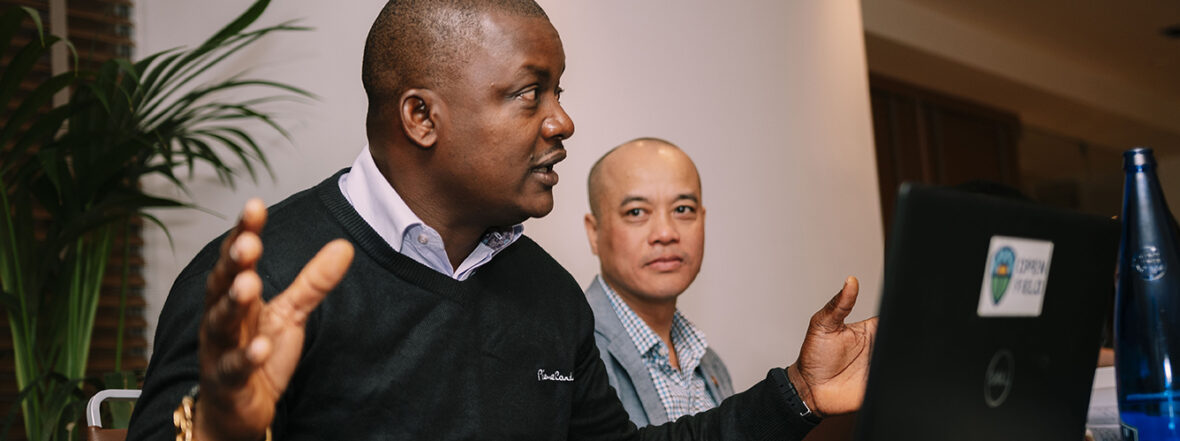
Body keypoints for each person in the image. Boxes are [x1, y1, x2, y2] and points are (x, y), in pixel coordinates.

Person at [125, 1, 877, 440]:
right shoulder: (262, 280)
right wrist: (219, 429)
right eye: (529, 93)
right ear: (422, 116)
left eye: (559, 92)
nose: (562, 121)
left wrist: (796, 393)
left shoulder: (548, 296)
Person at [582, 138, 733, 426]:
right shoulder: (573, 353)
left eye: (683, 209)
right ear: (594, 232)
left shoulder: (708, 362)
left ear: (703, 219)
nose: (666, 233)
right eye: (636, 212)